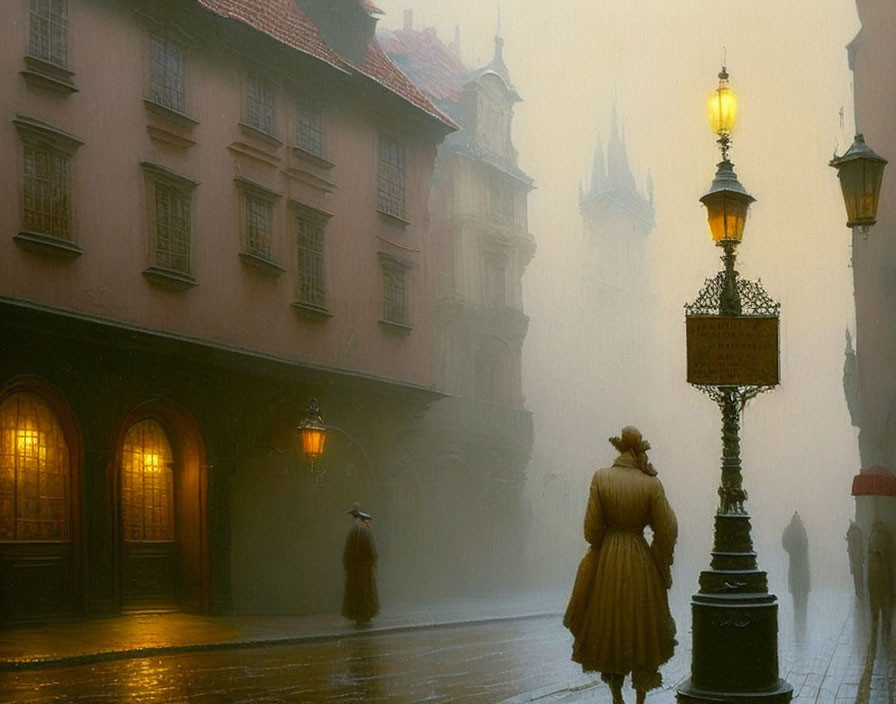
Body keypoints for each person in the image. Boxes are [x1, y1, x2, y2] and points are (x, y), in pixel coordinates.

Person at [564, 426, 678, 704]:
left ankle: (616, 695)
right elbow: (668, 528)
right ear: (639, 450)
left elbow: (591, 531)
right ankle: (640, 697)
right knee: (642, 627)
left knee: (609, 625)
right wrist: (659, 559)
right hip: (641, 560)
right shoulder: (651, 483)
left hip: (609, 561)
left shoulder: (601, 478)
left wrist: (607, 542)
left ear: (619, 449)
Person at [341, 503, 379, 627]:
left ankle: (358, 614)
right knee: (366, 593)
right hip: (365, 570)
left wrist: (349, 566)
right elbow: (372, 553)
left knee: (356, 593)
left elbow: (347, 554)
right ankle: (365, 615)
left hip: (355, 570)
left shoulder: (353, 533)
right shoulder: (367, 533)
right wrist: (372, 565)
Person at [781, 511, 810, 640]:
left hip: (796, 566)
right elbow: (805, 545)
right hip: (802, 567)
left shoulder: (790, 530)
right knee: (802, 597)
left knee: (797, 595)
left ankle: (798, 615)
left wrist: (792, 549)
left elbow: (785, 543)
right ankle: (801, 616)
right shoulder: (801, 530)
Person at [867, 521, 894, 642]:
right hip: (884, 576)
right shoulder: (886, 536)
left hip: (875, 576)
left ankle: (876, 624)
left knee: (877, 601)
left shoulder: (873, 536)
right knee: (885, 602)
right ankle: (885, 628)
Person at [847, 520, 864, 601]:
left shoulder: (853, 533)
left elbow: (854, 547)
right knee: (859, 575)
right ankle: (859, 593)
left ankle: (859, 593)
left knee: (857, 576)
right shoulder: (858, 533)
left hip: (856, 558)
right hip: (857, 558)